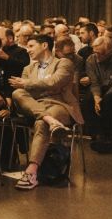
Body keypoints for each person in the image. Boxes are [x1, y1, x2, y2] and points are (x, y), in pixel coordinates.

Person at [9, 34, 83, 191]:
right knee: (17, 94)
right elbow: (24, 91)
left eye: (31, 46)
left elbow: (55, 82)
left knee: (40, 122)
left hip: (61, 104)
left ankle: (31, 171)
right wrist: (35, 87)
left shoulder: (64, 63)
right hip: (37, 106)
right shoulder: (28, 69)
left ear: (44, 46)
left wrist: (29, 84)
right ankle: (50, 120)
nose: (27, 50)